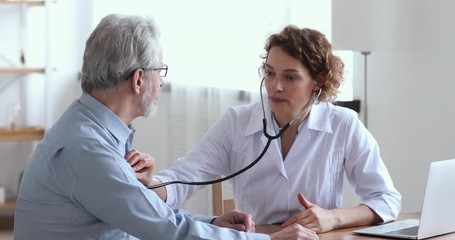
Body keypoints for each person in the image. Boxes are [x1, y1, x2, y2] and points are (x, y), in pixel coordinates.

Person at [13, 14, 318, 240]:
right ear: (138, 80)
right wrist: (269, 239)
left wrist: (212, 224)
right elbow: (166, 231)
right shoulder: (88, 149)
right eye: (160, 71)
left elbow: (146, 214)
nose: (162, 81)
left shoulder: (90, 129)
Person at [149, 25, 402, 233]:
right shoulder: (236, 122)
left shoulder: (343, 125)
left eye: (290, 77)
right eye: (270, 73)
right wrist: (150, 182)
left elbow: (386, 199)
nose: (275, 87)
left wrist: (331, 218)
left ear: (318, 81)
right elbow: (184, 177)